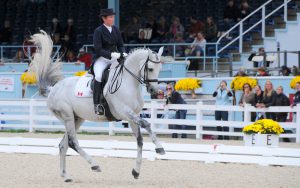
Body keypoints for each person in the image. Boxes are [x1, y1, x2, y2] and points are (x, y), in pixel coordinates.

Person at [92, 8, 127, 115]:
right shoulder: (98, 31)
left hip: (115, 58)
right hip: (102, 59)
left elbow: (120, 45)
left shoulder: (116, 29)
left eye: (113, 17)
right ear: (104, 18)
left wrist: (123, 53)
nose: (113, 19)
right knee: (98, 76)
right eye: (110, 17)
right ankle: (97, 105)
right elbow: (98, 48)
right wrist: (110, 54)